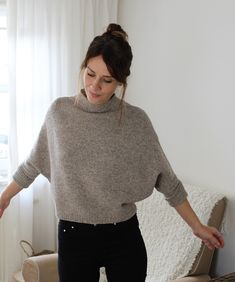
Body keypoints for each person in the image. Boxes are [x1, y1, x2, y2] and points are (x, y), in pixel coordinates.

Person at [0, 23, 224, 282]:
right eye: (90, 74)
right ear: (83, 66)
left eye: (106, 80)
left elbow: (167, 180)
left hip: (123, 237)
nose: (95, 86)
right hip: (74, 236)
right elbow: (32, 165)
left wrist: (198, 227)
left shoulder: (136, 121)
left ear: (120, 81)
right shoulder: (59, 113)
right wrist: (4, 198)